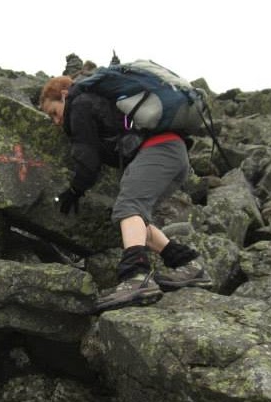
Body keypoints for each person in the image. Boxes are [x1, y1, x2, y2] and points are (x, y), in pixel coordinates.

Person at [38, 73, 213, 312]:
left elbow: (87, 158)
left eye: (54, 112)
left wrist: (74, 190)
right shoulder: (99, 101)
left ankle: (135, 277)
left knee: (128, 207)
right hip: (174, 153)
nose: (56, 121)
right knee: (136, 217)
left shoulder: (78, 104)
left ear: (64, 96)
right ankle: (189, 265)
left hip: (158, 150)